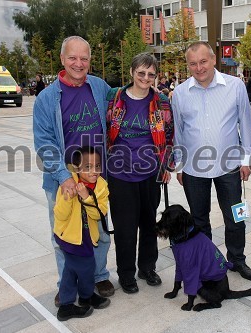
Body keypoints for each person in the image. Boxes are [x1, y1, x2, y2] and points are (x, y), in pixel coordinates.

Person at [33, 36, 114, 307]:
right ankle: (67, 283)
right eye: (72, 58)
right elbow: (44, 142)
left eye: (84, 58)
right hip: (62, 177)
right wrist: (64, 176)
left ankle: (99, 275)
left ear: (90, 61)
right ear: (62, 59)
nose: (78, 64)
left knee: (99, 229)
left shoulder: (99, 87)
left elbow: (124, 102)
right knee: (63, 234)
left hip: (96, 175)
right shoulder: (47, 98)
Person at [172, 41, 251, 282]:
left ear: (213, 60)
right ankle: (207, 262)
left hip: (229, 166)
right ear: (188, 65)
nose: (199, 68)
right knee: (199, 220)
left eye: (203, 61)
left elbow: (246, 123)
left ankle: (238, 260)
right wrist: (179, 165)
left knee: (235, 217)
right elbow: (178, 132)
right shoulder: (179, 93)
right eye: (193, 63)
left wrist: (246, 159)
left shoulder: (235, 86)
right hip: (193, 168)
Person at [106, 53, 174, 294]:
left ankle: (147, 268)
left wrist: (166, 166)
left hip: (150, 173)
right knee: (125, 228)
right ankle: (125, 273)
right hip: (119, 174)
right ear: (133, 72)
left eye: (151, 74)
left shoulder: (162, 101)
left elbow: (169, 134)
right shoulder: (115, 98)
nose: (146, 78)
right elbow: (105, 129)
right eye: (141, 73)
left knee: (148, 224)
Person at [54, 146, 110, 321]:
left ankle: (67, 304)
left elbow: (99, 214)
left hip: (87, 236)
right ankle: (84, 297)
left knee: (71, 270)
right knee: (86, 268)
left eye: (98, 166)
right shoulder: (68, 184)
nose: (94, 171)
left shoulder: (101, 185)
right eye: (88, 167)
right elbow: (60, 214)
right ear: (77, 168)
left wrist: (86, 197)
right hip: (69, 237)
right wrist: (67, 197)